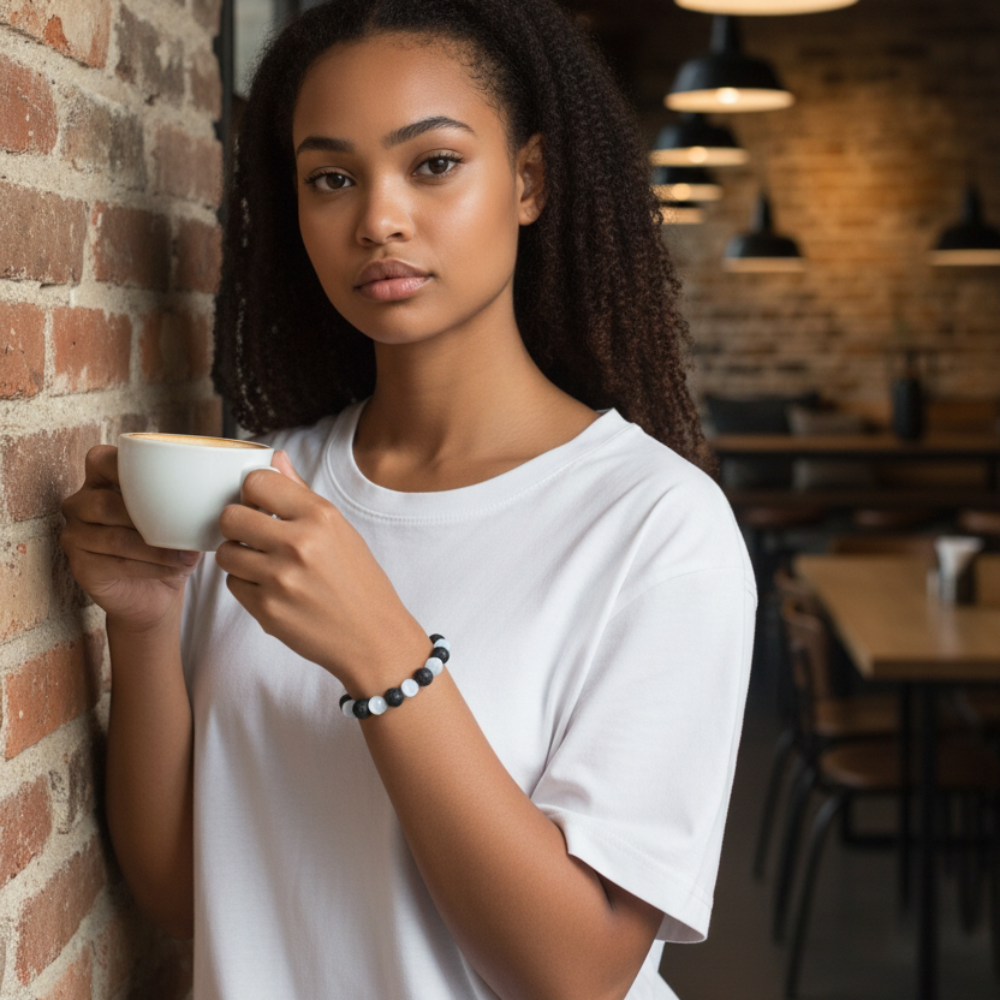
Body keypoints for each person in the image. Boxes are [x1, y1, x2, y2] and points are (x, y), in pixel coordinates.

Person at [60, 1, 756, 997]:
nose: (377, 217)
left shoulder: (657, 526)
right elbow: (188, 892)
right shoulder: (261, 493)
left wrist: (387, 658)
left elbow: (578, 972)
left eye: (432, 164)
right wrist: (143, 619)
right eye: (331, 177)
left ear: (527, 179)